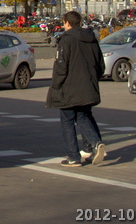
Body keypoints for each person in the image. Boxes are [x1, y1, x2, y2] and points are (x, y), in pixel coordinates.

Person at [46, 10, 107, 167]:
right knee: (84, 115)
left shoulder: (66, 40)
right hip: (88, 87)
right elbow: (101, 65)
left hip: (69, 88)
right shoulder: (92, 39)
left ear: (67, 23)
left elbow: (61, 66)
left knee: (67, 120)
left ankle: (73, 156)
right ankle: (95, 144)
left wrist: (56, 86)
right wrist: (92, 79)